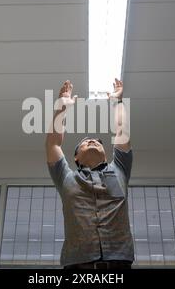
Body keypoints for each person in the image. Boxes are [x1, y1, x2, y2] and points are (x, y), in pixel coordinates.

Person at [45, 79, 134, 269]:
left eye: (97, 142)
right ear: (76, 157)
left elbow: (121, 131)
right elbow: (53, 143)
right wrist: (61, 109)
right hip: (77, 266)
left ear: (105, 153)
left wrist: (118, 102)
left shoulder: (120, 169)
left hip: (120, 265)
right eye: (86, 142)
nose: (93, 141)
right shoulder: (65, 177)